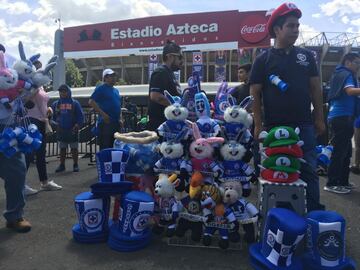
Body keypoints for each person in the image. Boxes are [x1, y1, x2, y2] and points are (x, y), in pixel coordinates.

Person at [249, 3, 326, 211]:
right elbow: (254, 93)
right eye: (290, 25)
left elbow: (315, 89)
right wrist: (258, 125)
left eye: (297, 25)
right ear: (277, 29)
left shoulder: (307, 56)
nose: (296, 29)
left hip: (304, 124)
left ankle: (313, 215)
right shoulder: (262, 59)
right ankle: (276, 216)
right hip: (274, 127)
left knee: (308, 168)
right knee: (275, 171)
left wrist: (319, 117)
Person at [0, 43, 31, 233]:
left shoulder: (11, 63)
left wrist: (25, 92)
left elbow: (26, 90)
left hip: (7, 127)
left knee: (17, 171)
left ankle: (14, 215)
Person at [25, 60, 62, 194]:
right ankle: (20, 184)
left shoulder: (41, 87)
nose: (40, 71)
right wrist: (33, 88)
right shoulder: (29, 84)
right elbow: (25, 100)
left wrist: (49, 109)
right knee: (29, 153)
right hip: (31, 121)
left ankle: (44, 182)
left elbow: (42, 102)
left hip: (42, 121)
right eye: (37, 68)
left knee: (41, 153)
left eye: (41, 68)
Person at [325, 53, 360, 194]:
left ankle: (343, 181)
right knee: (340, 151)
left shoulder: (341, 73)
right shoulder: (346, 74)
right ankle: (332, 183)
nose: (358, 66)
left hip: (344, 117)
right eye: (357, 62)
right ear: (348, 62)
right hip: (341, 117)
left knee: (345, 152)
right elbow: (350, 91)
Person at [147, 41, 183, 131]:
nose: (181, 61)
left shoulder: (170, 74)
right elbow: (155, 96)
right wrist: (178, 109)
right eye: (180, 57)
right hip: (161, 126)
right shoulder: (160, 72)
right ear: (169, 56)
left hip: (170, 125)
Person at [52, 84, 84, 173]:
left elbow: (80, 116)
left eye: (64, 91)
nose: (62, 93)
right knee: (62, 148)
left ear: (68, 92)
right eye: (60, 91)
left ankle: (75, 164)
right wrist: (55, 125)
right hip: (61, 130)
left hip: (73, 129)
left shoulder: (75, 103)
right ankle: (62, 165)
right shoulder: (56, 104)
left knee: (74, 148)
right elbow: (52, 117)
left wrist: (77, 125)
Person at [88, 69, 122, 150]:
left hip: (115, 123)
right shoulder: (101, 88)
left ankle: (112, 162)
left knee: (115, 146)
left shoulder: (116, 90)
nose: (114, 78)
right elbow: (91, 101)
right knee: (105, 147)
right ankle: (103, 163)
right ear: (105, 78)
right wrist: (103, 115)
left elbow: (119, 105)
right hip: (106, 123)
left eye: (114, 76)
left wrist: (120, 118)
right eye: (111, 76)